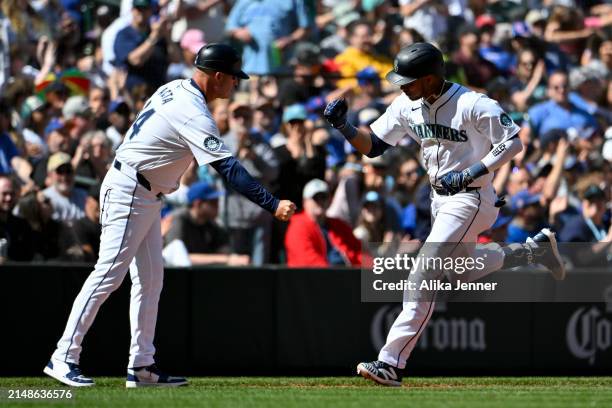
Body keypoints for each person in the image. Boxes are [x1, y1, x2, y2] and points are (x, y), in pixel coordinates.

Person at [44, 43, 296, 388]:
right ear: (218, 76)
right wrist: (271, 203)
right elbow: (228, 168)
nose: (236, 84)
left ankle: (142, 366)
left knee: (151, 282)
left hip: (145, 191)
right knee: (108, 275)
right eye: (233, 78)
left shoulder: (174, 87)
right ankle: (63, 356)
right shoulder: (193, 110)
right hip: (130, 189)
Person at [324, 42, 567, 386]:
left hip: (472, 198)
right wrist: (345, 128)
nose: (401, 85)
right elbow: (374, 146)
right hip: (440, 200)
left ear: (430, 78)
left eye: (408, 80)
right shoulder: (407, 105)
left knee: (424, 271)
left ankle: (391, 362)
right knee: (458, 272)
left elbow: (513, 142)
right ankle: (534, 250)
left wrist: (472, 172)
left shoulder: (472, 103)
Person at [284, 179, 363, 267]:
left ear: (329, 200)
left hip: (347, 275)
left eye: (323, 197)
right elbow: (310, 263)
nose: (320, 202)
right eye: (316, 198)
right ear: (305, 202)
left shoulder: (338, 225)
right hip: (314, 278)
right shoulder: (298, 227)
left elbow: (359, 252)